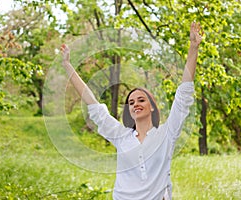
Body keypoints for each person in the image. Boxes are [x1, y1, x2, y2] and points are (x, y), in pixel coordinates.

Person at [60, 22, 202, 200]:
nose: (135, 104)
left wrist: (193, 48)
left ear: (151, 106)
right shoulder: (122, 136)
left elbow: (183, 95)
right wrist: (67, 65)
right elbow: (93, 103)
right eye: (131, 102)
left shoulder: (166, 134)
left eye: (141, 100)